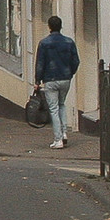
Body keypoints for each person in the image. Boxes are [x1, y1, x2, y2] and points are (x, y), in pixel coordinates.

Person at [34, 14, 80, 149]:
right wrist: (70, 73)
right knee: (61, 105)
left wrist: (37, 80)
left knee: (53, 108)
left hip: (50, 79)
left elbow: (40, 63)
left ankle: (58, 139)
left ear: (49, 27)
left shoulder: (44, 43)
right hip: (65, 78)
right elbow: (76, 61)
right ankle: (65, 132)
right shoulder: (69, 42)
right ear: (61, 26)